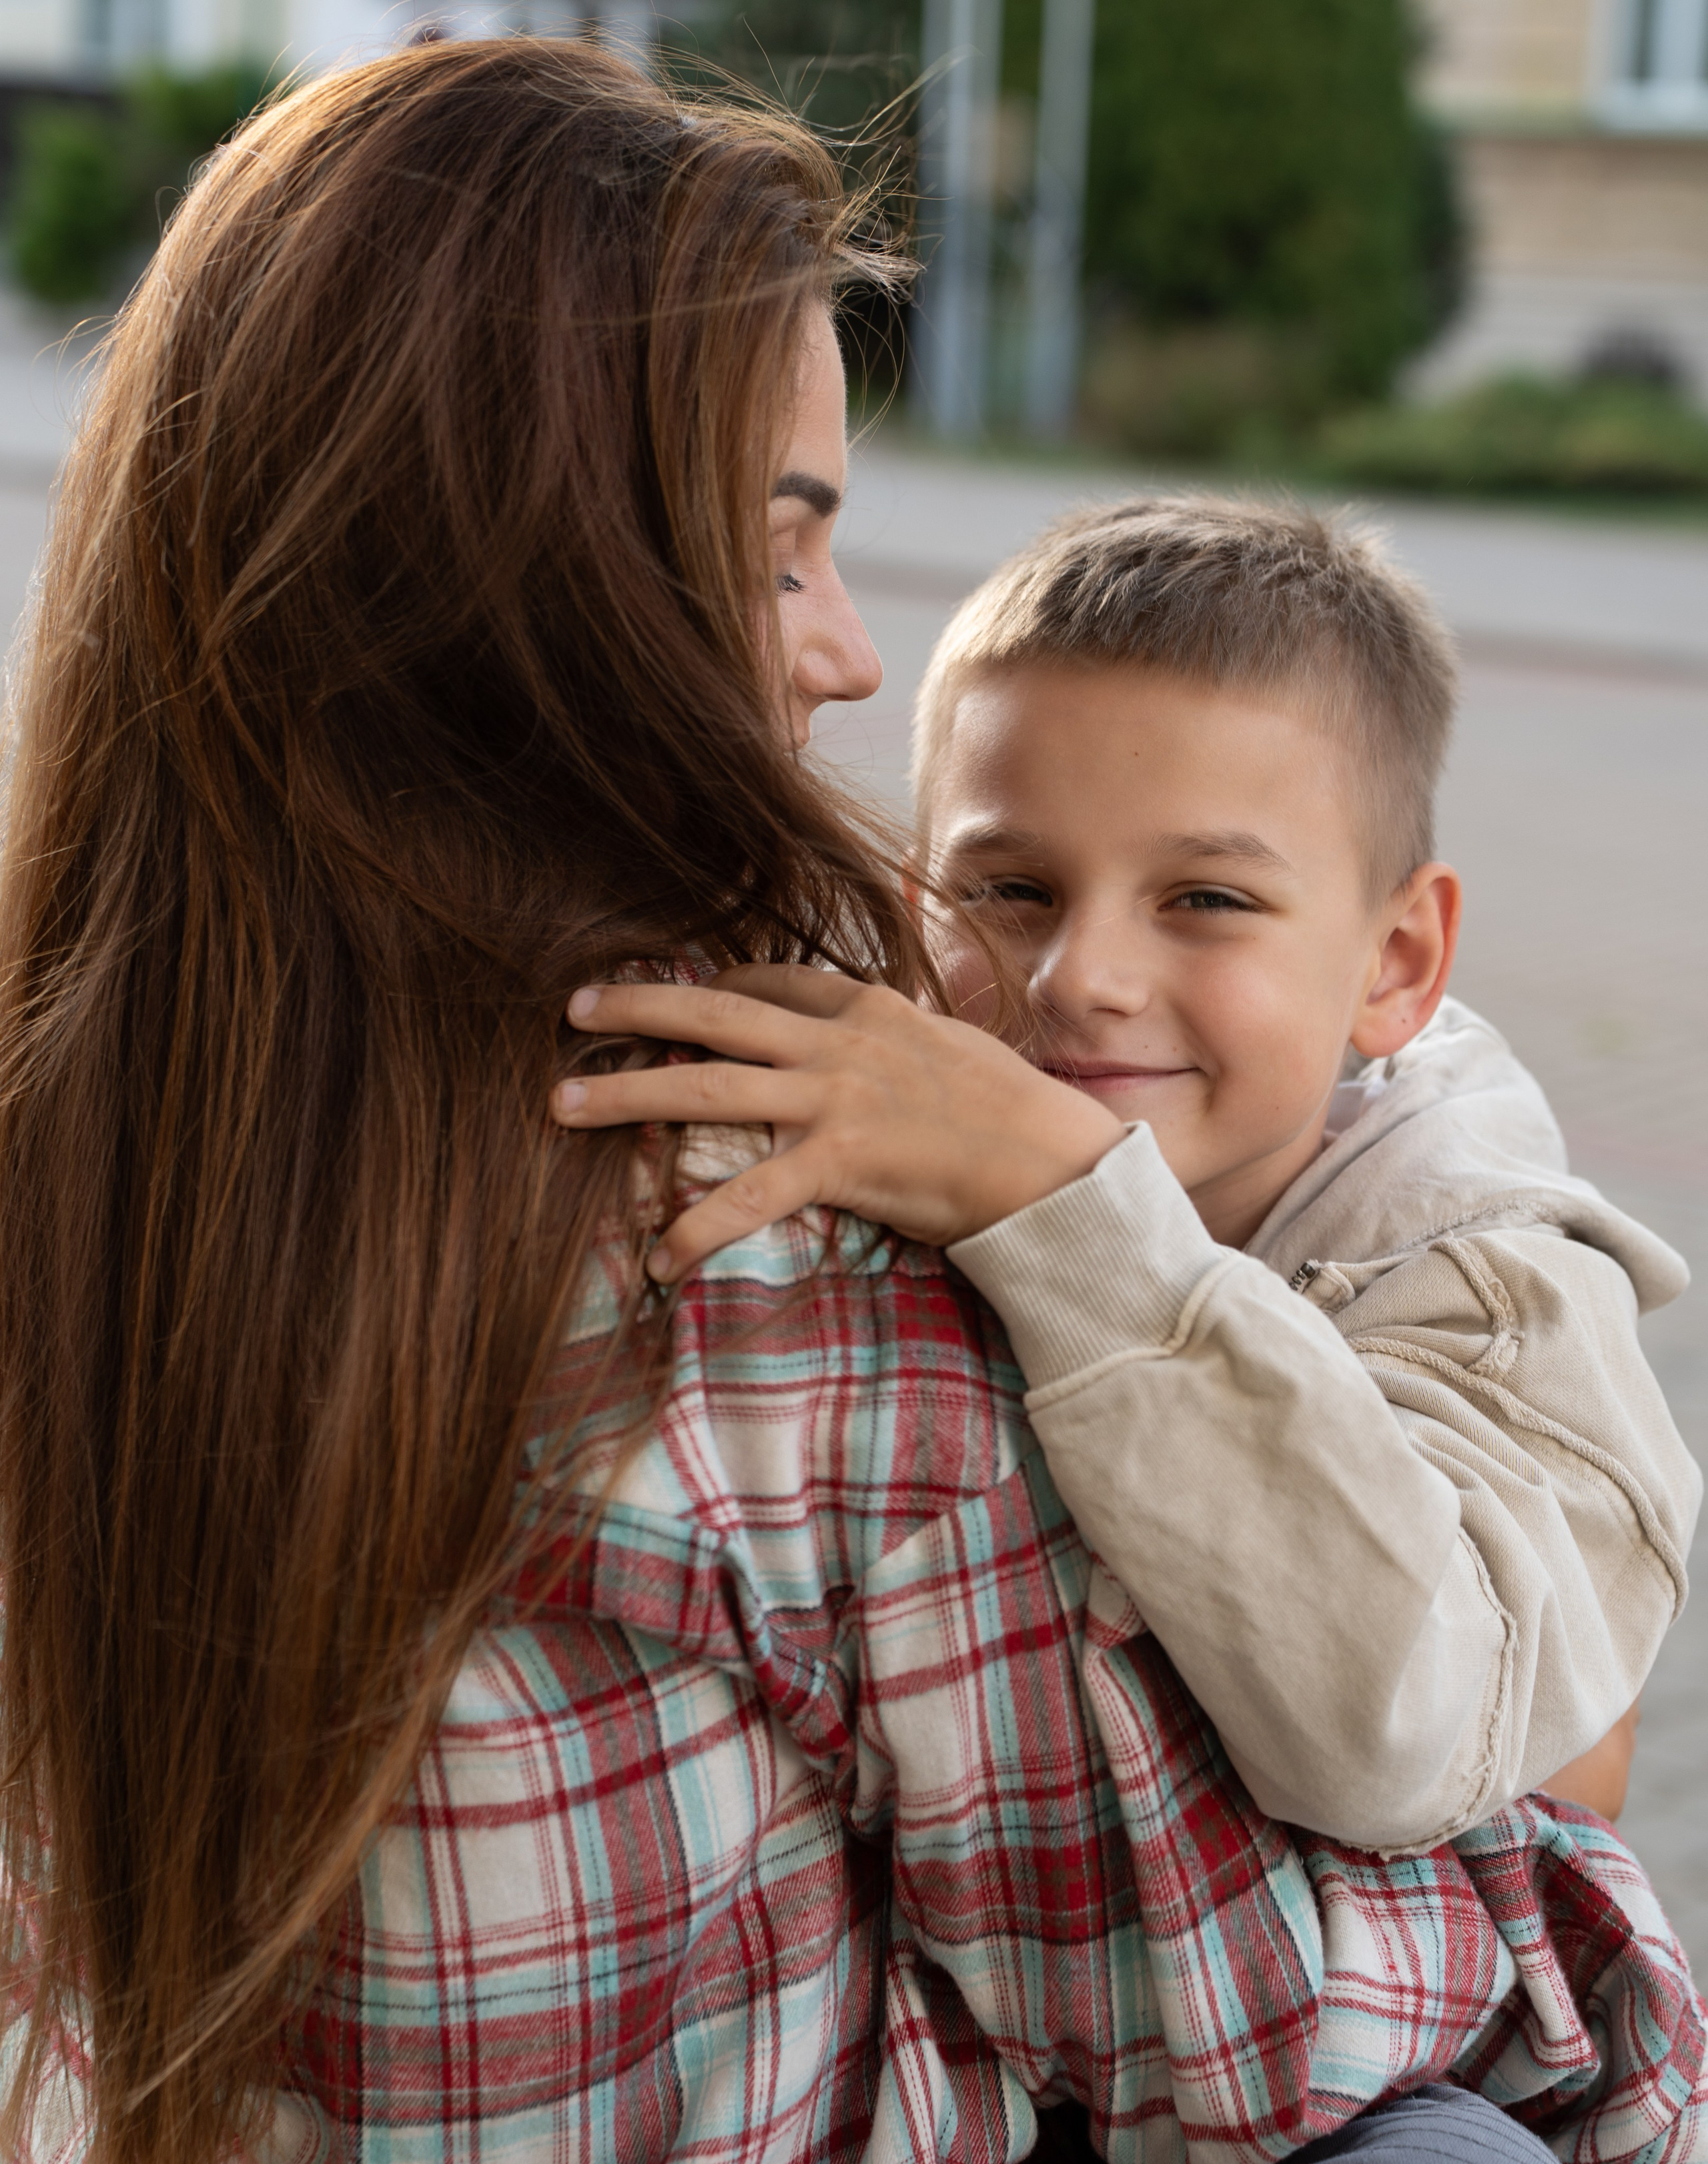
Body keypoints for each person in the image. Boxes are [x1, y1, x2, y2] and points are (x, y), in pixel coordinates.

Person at [0, 43, 1700, 2164]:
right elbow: (1239, 2022)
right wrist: (1568, 1871)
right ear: (554, 583)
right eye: (787, 548)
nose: (843, 660)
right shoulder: (742, 1221)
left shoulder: (77, 1132)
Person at [548, 498, 1700, 1853]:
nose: (1079, 977)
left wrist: (1066, 1201)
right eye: (1011, 889)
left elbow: (1399, 1735)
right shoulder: (901, 1135)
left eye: (1203, 899)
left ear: (1392, 963)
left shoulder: (1497, 1293)